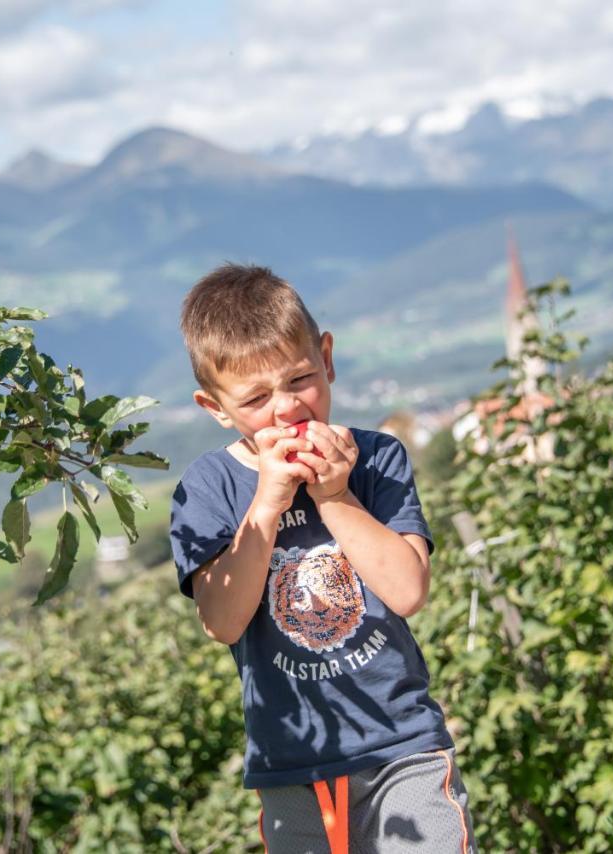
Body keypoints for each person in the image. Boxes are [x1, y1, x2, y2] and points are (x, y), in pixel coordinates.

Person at [169, 263, 477, 853]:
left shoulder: (376, 459)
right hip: (291, 761)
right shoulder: (209, 487)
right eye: (255, 398)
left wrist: (334, 496)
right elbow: (222, 621)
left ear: (327, 358)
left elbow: (408, 590)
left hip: (402, 745)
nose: (286, 409)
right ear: (214, 406)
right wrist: (267, 502)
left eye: (301, 379)